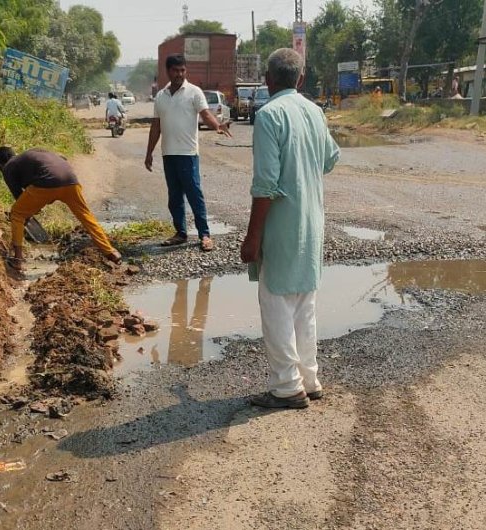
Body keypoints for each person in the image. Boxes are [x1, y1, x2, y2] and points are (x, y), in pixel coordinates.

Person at [240, 48, 340, 409]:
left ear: (267, 79)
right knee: (304, 305)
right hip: (311, 222)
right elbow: (330, 159)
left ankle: (286, 387)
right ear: (300, 79)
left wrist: (252, 238)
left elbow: (265, 184)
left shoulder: (269, 116)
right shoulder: (315, 112)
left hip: (281, 225)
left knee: (277, 304)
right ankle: (309, 379)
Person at [145, 54, 232, 252]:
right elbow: (156, 127)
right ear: (168, 71)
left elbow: (206, 115)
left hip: (188, 154)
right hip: (168, 154)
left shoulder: (194, 92)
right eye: (176, 70)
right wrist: (149, 153)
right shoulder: (161, 96)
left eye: (182, 70)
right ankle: (180, 233)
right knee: (174, 197)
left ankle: (205, 235)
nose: (179, 74)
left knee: (194, 195)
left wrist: (218, 126)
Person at [0, 146, 121, 271]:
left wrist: (27, 216)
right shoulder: (35, 153)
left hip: (46, 182)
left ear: (1, 164)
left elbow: (19, 197)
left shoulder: (9, 166)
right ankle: (110, 251)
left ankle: (18, 260)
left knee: (17, 214)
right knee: (86, 217)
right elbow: (61, 159)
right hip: (71, 181)